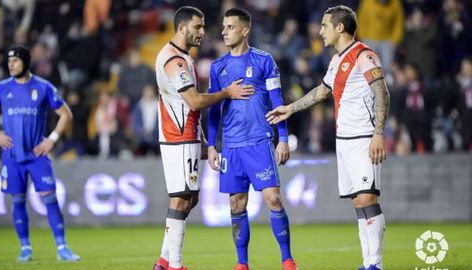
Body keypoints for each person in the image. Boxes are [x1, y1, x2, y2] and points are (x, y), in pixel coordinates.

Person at [266, 5, 389, 270]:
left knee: (368, 198)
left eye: (324, 26)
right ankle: (368, 262)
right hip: (343, 140)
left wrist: (378, 134)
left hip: (364, 137)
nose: (320, 31)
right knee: (358, 201)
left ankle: (375, 264)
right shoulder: (336, 60)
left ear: (340, 27)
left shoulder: (364, 55)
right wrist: (290, 108)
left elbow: (382, 93)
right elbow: (322, 92)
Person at [152, 6, 254, 270]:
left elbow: (187, 105)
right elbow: (195, 102)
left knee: (190, 197)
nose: (202, 32)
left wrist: (203, 143)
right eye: (197, 27)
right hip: (179, 135)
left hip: (187, 136)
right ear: (182, 27)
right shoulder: (173, 61)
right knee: (181, 198)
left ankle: (164, 261)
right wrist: (227, 93)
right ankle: (174, 264)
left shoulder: (183, 57)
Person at [207, 8, 299, 270]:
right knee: (236, 203)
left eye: (230, 27)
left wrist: (282, 138)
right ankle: (242, 263)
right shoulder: (218, 67)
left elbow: (277, 101)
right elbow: (215, 110)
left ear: (245, 30)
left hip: (259, 142)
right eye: (223, 27)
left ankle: (287, 259)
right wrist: (212, 146)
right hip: (232, 147)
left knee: (273, 199)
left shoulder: (264, 61)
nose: (224, 31)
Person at [0, 45, 80, 262]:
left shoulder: (43, 87)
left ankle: (62, 248)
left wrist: (52, 139)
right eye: (9, 61)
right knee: (18, 201)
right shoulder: (2, 88)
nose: (11, 65)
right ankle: (25, 248)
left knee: (49, 198)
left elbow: (66, 114)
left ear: (26, 62)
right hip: (12, 156)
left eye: (15, 61)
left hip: (37, 154)